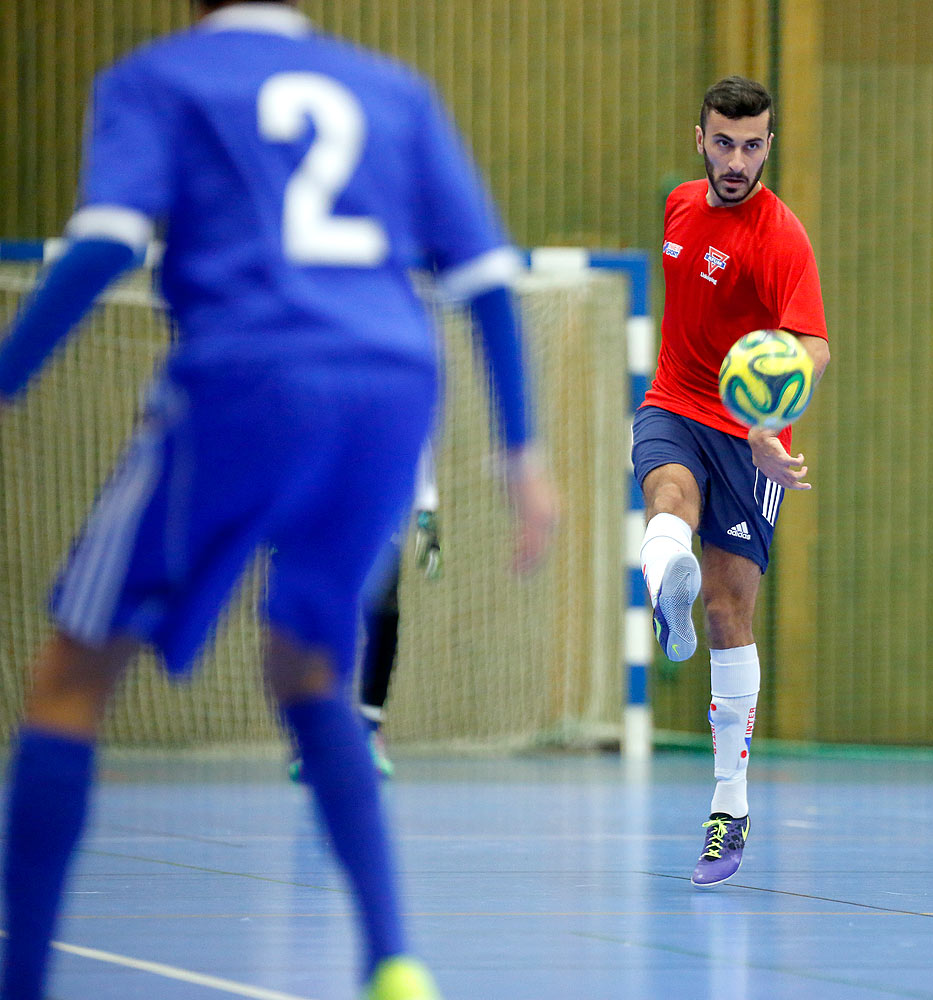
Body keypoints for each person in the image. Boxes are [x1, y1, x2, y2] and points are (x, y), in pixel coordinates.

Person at [0, 3, 558, 998]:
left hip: (250, 371)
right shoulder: (392, 87)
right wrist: (524, 449)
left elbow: (105, 244)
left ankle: (22, 977)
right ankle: (394, 955)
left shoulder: (157, 77)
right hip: (393, 387)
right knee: (309, 664)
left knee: (69, 674)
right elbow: (484, 276)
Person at [633, 76, 830, 888]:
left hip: (749, 438)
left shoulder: (781, 237)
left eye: (753, 146)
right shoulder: (679, 208)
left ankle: (730, 804)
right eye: (724, 142)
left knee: (729, 611)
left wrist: (768, 430)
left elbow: (813, 347)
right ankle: (663, 587)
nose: (737, 160)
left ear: (769, 146)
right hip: (674, 402)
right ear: (700, 137)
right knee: (666, 499)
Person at [289, 444, 442, 783]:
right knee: (320, 614)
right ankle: (313, 737)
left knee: (383, 610)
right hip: (325, 509)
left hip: (381, 509)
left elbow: (416, 442)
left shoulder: (402, 392)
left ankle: (370, 731)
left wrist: (427, 519)